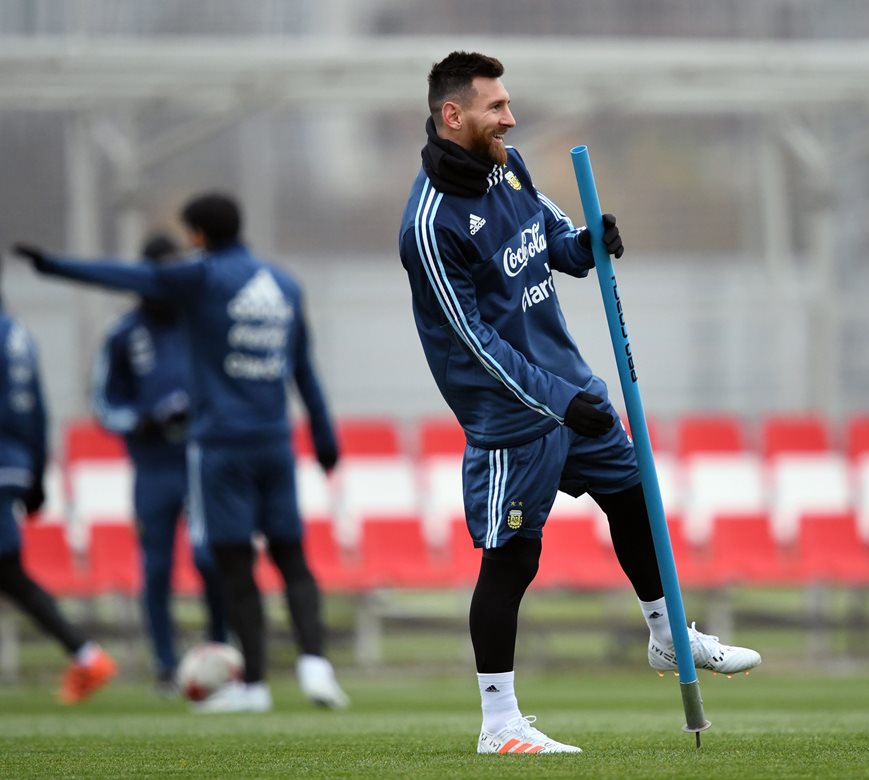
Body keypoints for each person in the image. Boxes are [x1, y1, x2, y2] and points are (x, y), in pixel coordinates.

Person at [399, 51, 761, 755]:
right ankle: (498, 723)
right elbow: (473, 345)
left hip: (572, 390)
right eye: (496, 106)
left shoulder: (509, 164)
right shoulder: (430, 225)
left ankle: (667, 637)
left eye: (508, 103)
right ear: (453, 116)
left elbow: (547, 234)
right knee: (512, 562)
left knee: (634, 498)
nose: (510, 115)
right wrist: (559, 403)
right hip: (513, 417)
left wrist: (586, 243)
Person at [12, 193, 348, 712]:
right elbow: (304, 370)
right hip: (275, 443)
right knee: (292, 557)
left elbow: (126, 277)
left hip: (220, 450)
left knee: (235, 566)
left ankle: (254, 686)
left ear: (197, 235)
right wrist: (325, 440)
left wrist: (51, 265)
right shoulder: (282, 284)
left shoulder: (201, 276)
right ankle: (316, 668)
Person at [91, 233, 228, 696]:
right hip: (153, 470)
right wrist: (143, 420)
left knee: (212, 558)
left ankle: (221, 654)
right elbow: (103, 402)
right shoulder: (123, 333)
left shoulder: (202, 324)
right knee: (156, 568)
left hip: (201, 463)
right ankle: (166, 665)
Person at [0, 296, 117, 703]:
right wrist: (34, 470)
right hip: (13, 462)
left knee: (10, 573)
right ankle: (86, 656)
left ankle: (86, 655)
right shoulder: (17, 334)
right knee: (9, 573)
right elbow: (37, 408)